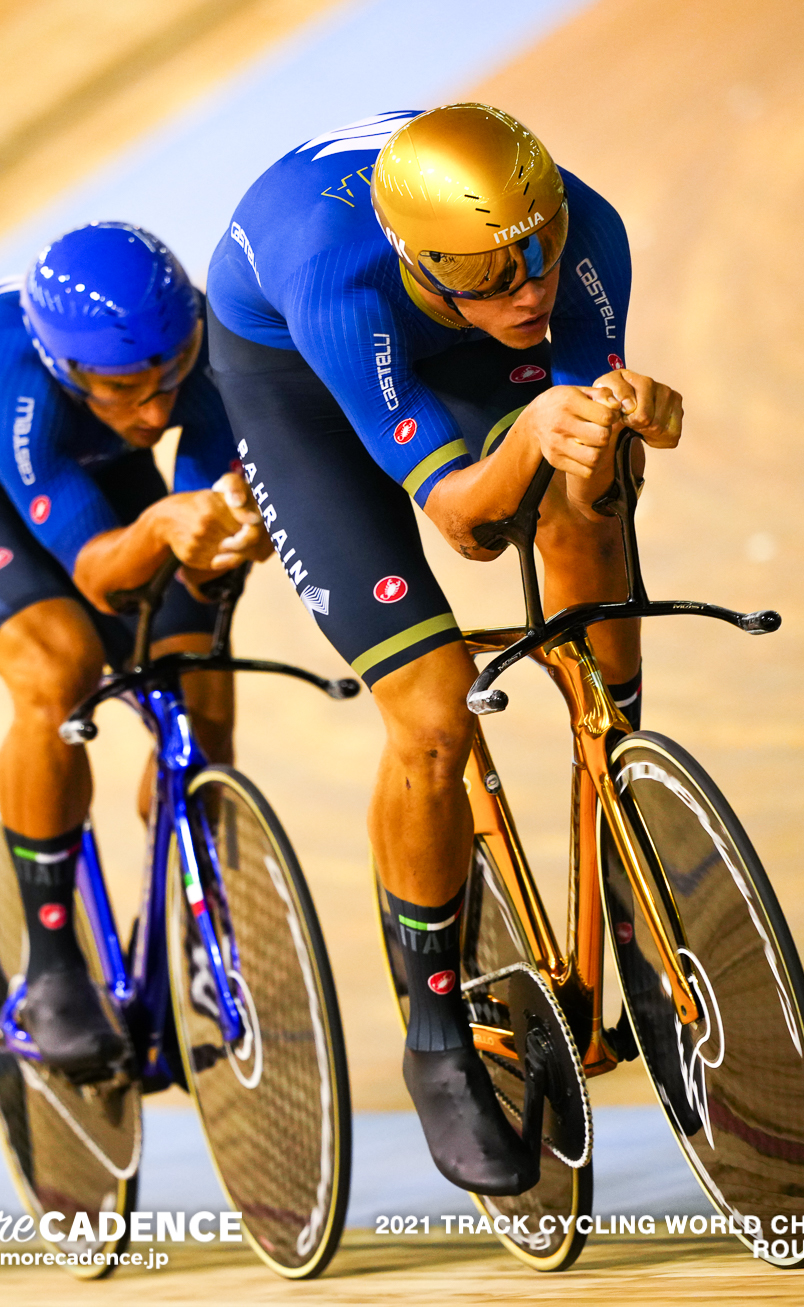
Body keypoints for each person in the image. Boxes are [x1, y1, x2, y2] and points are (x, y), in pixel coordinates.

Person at [205, 104, 684, 1194]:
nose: (528, 292)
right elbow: (465, 525)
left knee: (590, 480)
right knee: (432, 711)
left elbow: (582, 422)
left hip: (438, 346)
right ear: (423, 259)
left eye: (537, 256)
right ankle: (433, 1037)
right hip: (293, 384)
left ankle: (619, 797)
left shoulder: (581, 232)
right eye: (488, 275)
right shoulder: (338, 277)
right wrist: (527, 429)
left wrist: (616, 411)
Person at [0, 222, 270, 1081]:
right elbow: (100, 577)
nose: (159, 409)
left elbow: (208, 510)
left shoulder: (184, 350)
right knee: (59, 670)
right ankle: (51, 967)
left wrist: (233, 529)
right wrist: (168, 523)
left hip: (90, 462)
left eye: (172, 373)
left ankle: (201, 917)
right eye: (130, 387)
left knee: (195, 670)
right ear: (68, 368)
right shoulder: (6, 370)